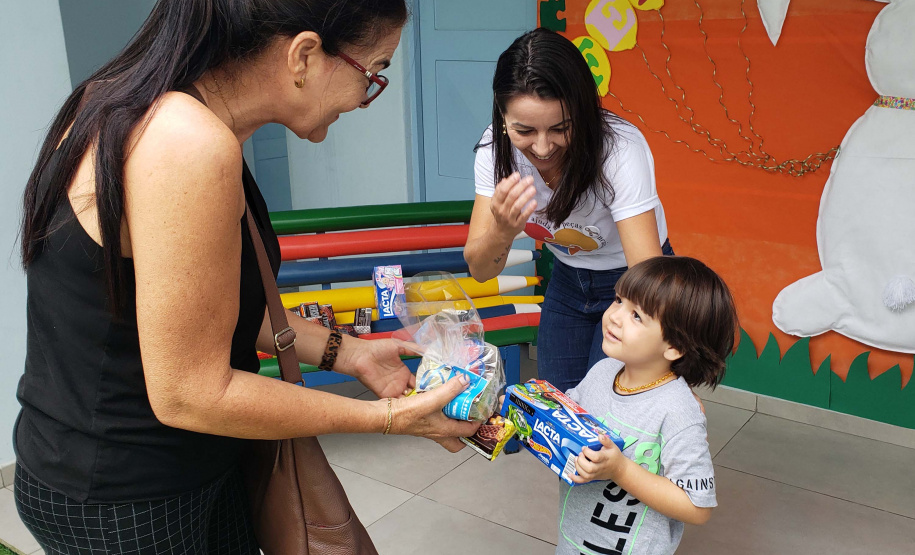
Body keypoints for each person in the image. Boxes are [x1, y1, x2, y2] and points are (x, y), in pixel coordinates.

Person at [14, 1, 480, 553]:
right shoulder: (186, 143)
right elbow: (190, 394)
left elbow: (203, 309)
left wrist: (349, 353)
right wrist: (385, 418)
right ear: (303, 55)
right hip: (128, 494)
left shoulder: (139, 107)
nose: (364, 99)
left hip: (143, 464)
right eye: (372, 73)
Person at [464, 28, 673, 392]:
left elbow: (647, 275)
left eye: (561, 128)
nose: (543, 148)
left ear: (582, 110)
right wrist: (501, 230)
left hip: (633, 283)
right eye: (524, 130)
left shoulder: (619, 150)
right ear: (502, 115)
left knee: (608, 404)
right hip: (567, 279)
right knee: (557, 401)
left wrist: (665, 372)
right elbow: (480, 271)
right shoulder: (494, 150)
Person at [556, 256, 738, 555]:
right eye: (618, 300)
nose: (614, 316)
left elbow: (697, 507)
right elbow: (566, 417)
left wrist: (620, 470)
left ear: (675, 347)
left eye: (637, 316)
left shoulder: (678, 411)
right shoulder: (604, 371)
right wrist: (523, 407)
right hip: (573, 542)